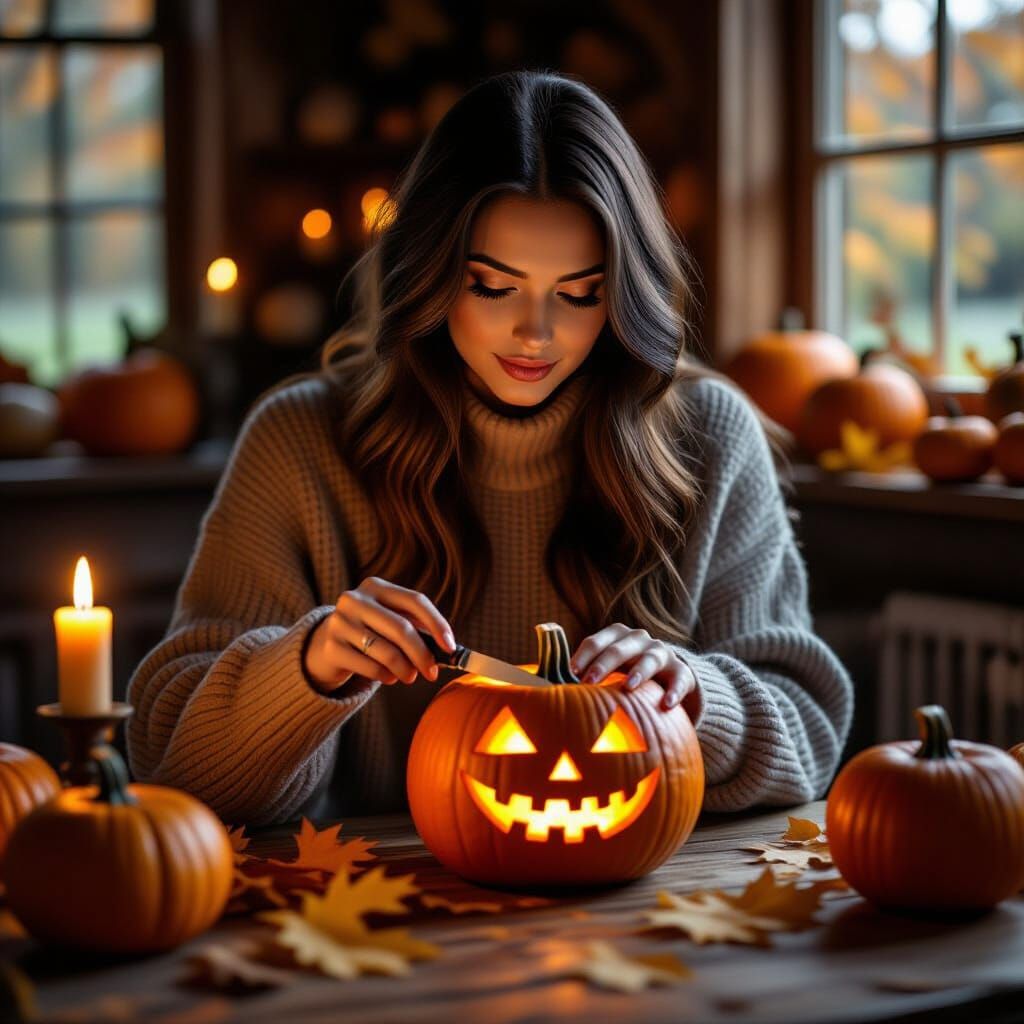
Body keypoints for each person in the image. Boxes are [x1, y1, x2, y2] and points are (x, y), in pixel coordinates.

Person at [126, 70, 853, 826]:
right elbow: (173, 765)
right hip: (375, 910)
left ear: (625, 292)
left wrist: (698, 695)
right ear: (430, 275)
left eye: (578, 294)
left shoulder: (709, 435)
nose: (536, 333)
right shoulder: (298, 440)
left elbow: (812, 741)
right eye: (491, 286)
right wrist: (305, 670)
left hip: (650, 902)